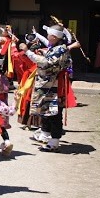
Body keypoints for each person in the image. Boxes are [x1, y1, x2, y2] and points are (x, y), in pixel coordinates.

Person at [26, 24, 72, 152]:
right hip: (49, 84)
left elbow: (46, 63)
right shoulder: (58, 48)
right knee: (46, 111)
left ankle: (54, 141)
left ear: (53, 36)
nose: (47, 36)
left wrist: (27, 52)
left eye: (48, 34)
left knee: (54, 113)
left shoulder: (60, 49)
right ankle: (46, 135)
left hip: (54, 85)